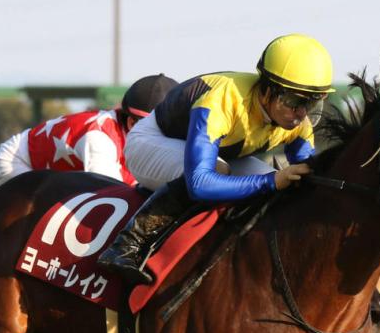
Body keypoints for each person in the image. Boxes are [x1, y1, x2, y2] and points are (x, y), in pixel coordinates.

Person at [98, 34, 334, 284]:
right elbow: (199, 183)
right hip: (149, 142)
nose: (301, 113)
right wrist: (272, 180)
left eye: (311, 103)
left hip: (211, 151)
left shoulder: (299, 122)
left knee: (267, 180)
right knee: (232, 173)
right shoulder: (221, 101)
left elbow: (308, 175)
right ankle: (126, 246)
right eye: (294, 101)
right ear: (267, 89)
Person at [0, 74, 179, 188]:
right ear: (131, 123)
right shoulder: (100, 138)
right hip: (17, 163)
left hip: (59, 176)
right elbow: (110, 194)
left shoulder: (131, 135)